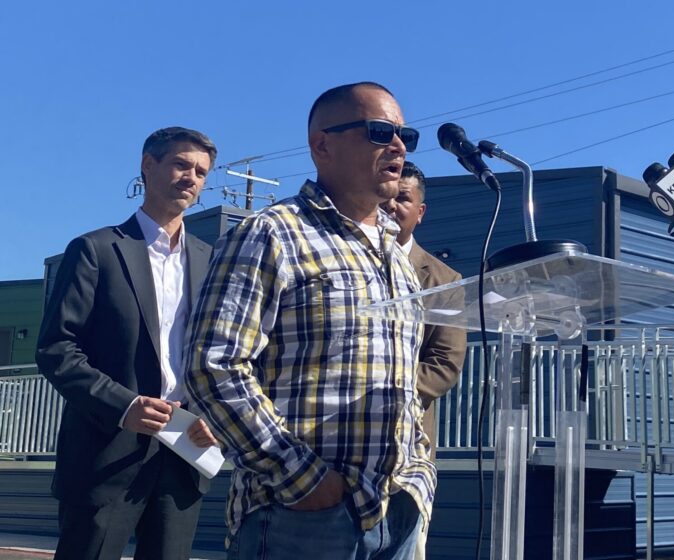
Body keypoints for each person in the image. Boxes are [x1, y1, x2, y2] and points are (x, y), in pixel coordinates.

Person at [184, 82, 432, 560]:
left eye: (406, 136)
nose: (399, 147)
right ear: (322, 145)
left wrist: (418, 472)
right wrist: (304, 479)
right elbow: (213, 365)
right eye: (381, 132)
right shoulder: (272, 233)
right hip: (303, 517)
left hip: (399, 507)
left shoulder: (397, 257)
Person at [36, 127, 220, 560]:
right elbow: (57, 348)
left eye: (200, 172)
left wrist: (218, 416)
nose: (191, 178)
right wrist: (124, 406)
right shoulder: (96, 250)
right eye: (180, 164)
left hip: (185, 454)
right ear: (147, 165)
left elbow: (221, 354)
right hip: (105, 453)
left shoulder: (211, 261)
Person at [386, 161, 466, 559]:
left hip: (406, 455)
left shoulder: (443, 281)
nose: (391, 205)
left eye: (402, 198)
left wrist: (379, 389)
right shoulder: (337, 259)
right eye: (386, 195)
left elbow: (444, 363)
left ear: (420, 212)